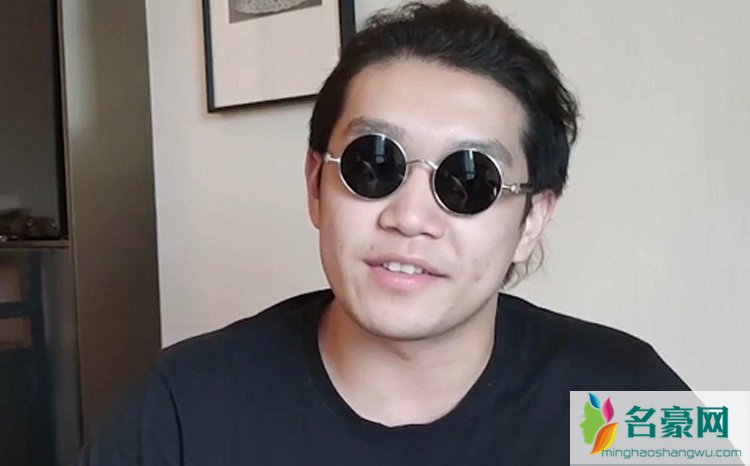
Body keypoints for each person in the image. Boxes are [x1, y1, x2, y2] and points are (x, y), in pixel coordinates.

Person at [78, 1, 688, 464]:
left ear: (533, 219)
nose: (409, 216)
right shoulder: (183, 408)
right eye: (374, 165)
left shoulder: (626, 397)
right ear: (316, 184)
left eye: (468, 180)